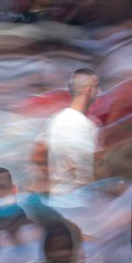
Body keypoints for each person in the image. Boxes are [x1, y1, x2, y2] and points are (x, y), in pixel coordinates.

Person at [40, 69, 100, 199]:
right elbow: (96, 168)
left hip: (57, 201)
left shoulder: (54, 120)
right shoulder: (89, 126)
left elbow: (37, 154)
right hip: (81, 204)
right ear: (89, 90)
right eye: (97, 87)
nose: (98, 92)